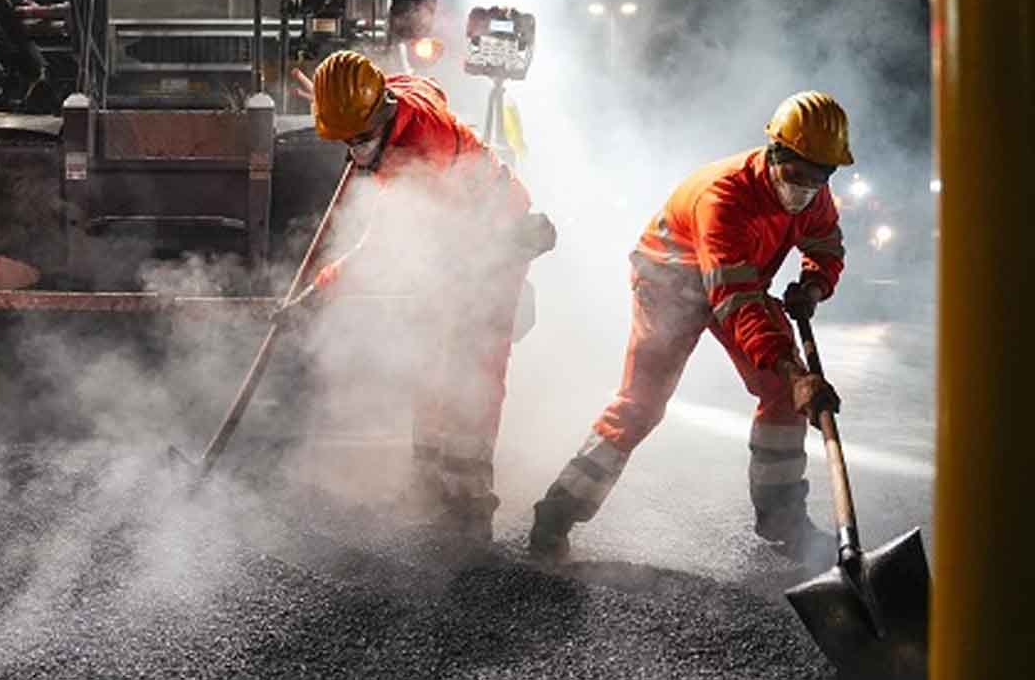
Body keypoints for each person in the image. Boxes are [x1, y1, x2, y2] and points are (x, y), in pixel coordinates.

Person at [527, 91, 850, 561]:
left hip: (736, 278)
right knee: (641, 405)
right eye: (798, 175)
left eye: (820, 177)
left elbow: (825, 246)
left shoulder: (814, 196)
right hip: (668, 283)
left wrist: (813, 286)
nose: (805, 189)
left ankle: (783, 521)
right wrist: (796, 372)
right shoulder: (724, 196)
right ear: (776, 153)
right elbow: (735, 302)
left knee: (781, 393)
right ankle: (557, 512)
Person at [282, 51, 556, 540]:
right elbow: (423, 82)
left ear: (383, 115)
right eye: (344, 140)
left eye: (360, 141)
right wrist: (339, 108)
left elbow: (385, 245)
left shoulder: (420, 155)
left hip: (491, 234)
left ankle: (470, 504)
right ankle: (426, 483)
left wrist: (318, 289)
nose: (353, 153)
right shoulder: (394, 94)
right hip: (449, 235)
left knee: (472, 366)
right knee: (431, 358)